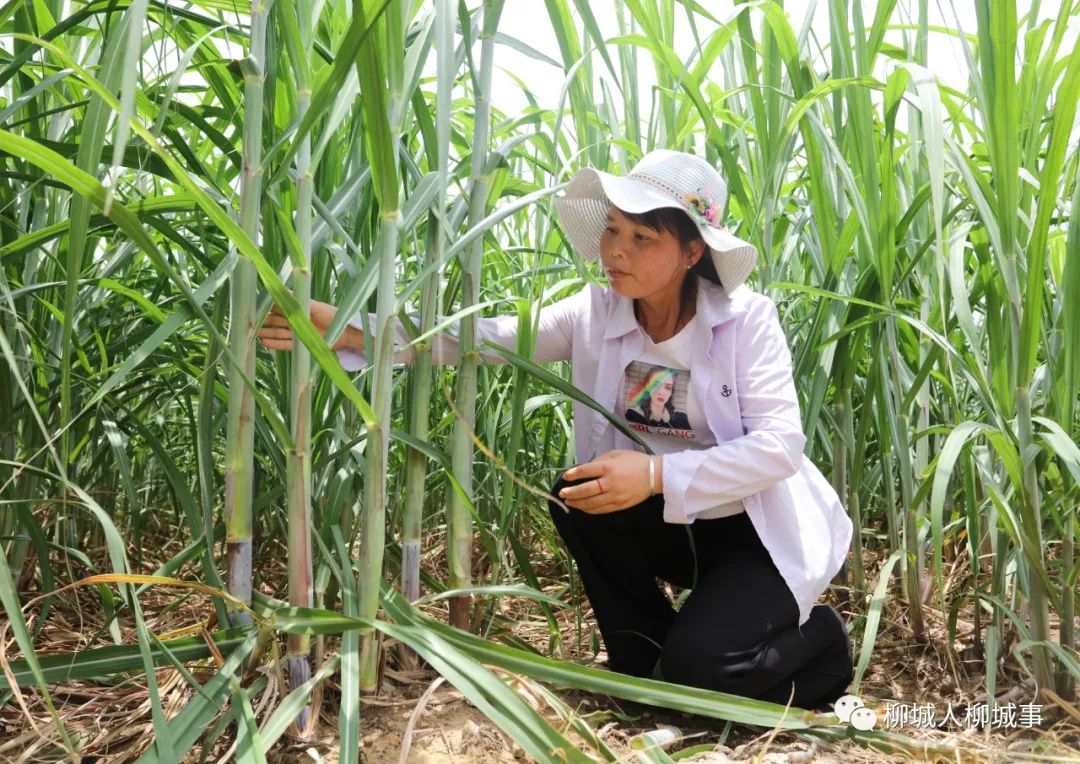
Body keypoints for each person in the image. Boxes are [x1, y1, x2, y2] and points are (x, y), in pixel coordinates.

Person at [258, 149, 854, 710]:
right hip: (675, 528)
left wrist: (653, 473)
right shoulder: (595, 312)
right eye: (613, 229)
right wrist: (346, 327)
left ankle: (820, 640)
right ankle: (643, 661)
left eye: (642, 238)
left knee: (705, 675)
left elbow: (780, 447)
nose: (615, 250)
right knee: (576, 495)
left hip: (750, 535)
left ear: (693, 253)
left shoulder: (745, 321)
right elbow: (475, 340)